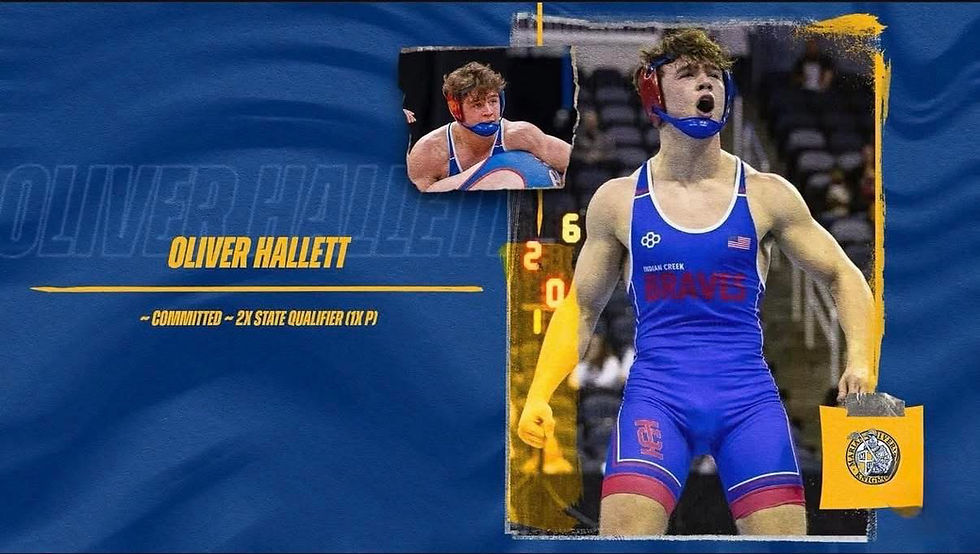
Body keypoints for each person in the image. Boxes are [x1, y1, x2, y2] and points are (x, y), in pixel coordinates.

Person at [517, 29, 875, 536]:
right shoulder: (619, 202)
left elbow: (842, 274)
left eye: (714, 76)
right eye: (688, 74)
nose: (706, 84)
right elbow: (582, 307)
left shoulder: (767, 194)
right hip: (658, 398)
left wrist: (860, 360)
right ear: (654, 94)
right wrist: (539, 393)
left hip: (747, 401)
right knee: (622, 542)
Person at [407, 61, 571, 192]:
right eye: (477, 105)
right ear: (456, 110)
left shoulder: (521, 135)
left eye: (493, 101)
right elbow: (414, 208)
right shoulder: (429, 151)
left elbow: (574, 165)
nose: (489, 112)